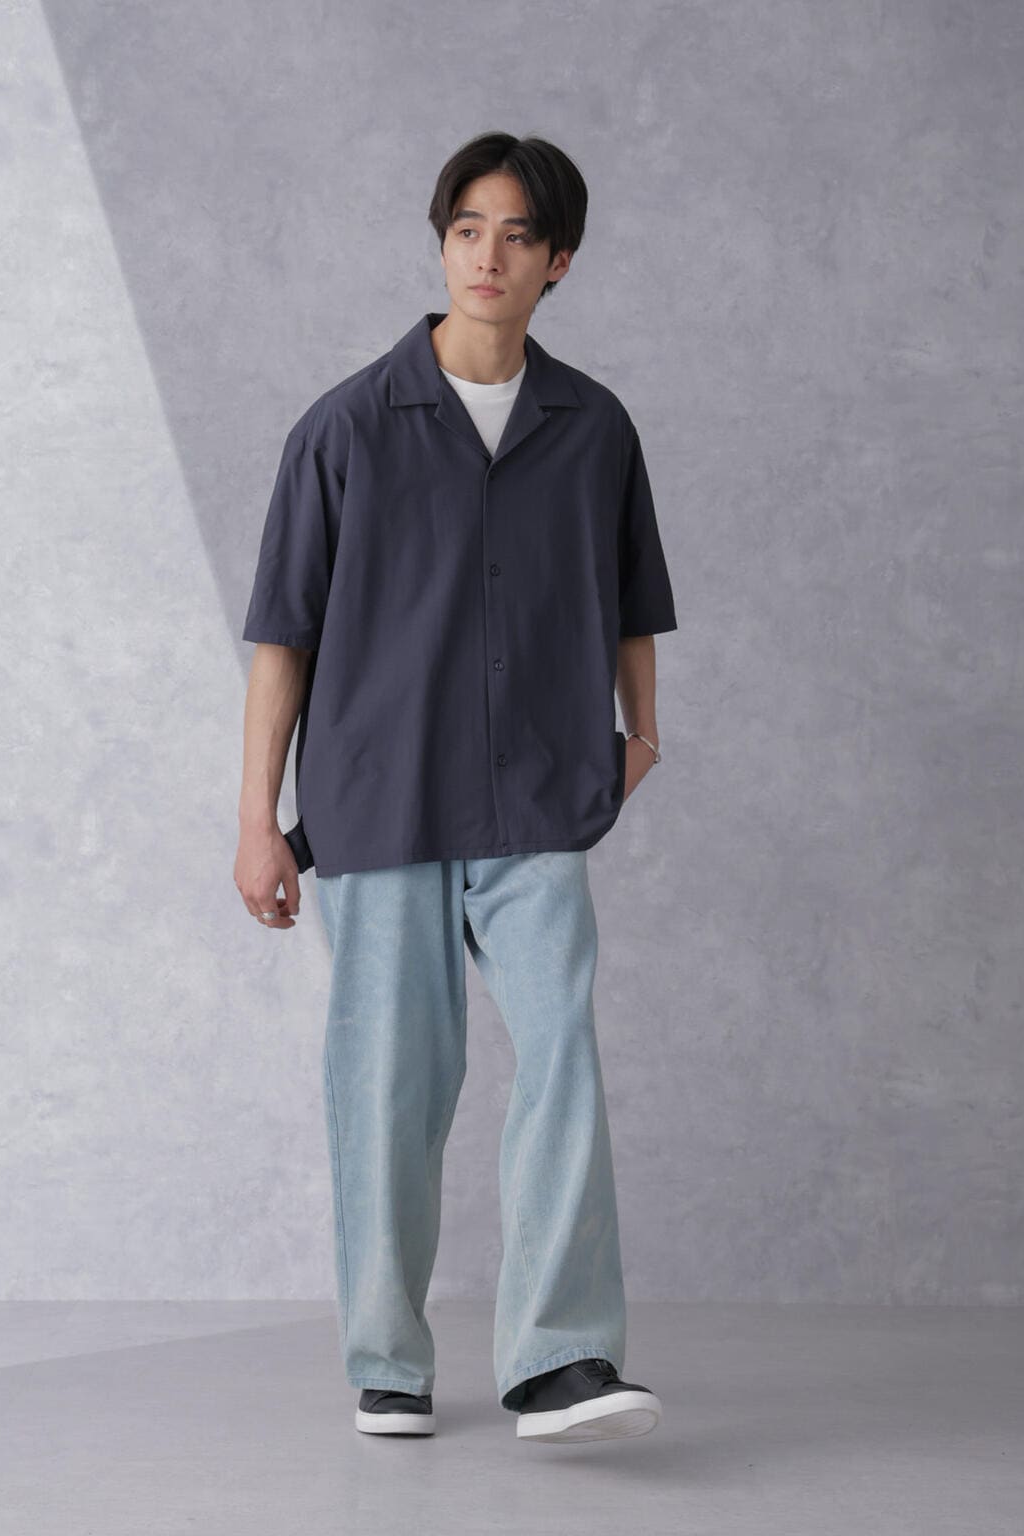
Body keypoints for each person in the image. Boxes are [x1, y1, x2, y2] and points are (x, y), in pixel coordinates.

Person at [236, 132, 676, 1444]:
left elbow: (632, 601)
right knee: (391, 1084)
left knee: (562, 1050)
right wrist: (255, 821)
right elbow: (282, 639)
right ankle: (389, 1363)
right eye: (468, 228)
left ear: (559, 262)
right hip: (381, 798)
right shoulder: (346, 427)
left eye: (518, 235)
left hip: (539, 793)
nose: (489, 255)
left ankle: (559, 1360)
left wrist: (642, 734)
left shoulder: (593, 428)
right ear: (443, 244)